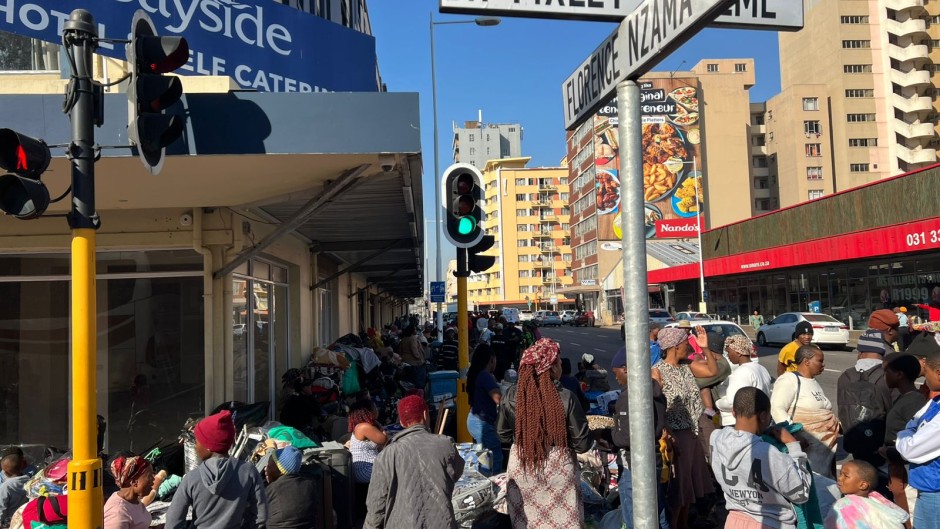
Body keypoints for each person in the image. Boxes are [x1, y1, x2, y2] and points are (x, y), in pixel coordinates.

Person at [497, 338, 591, 528]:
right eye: (558, 361)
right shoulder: (566, 397)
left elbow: (503, 434)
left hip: (524, 467)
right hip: (559, 474)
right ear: (552, 367)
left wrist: (528, 439)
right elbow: (582, 444)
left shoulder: (510, 396)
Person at [711, 387, 813, 529]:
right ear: (764, 416)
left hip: (734, 521)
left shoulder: (716, 439)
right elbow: (800, 493)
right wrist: (793, 446)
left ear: (733, 411)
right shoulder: (769, 453)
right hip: (770, 523)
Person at [652, 326, 719, 529]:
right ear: (674, 346)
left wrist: (705, 348)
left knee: (687, 492)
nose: (688, 347)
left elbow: (712, 370)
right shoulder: (657, 371)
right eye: (685, 343)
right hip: (674, 438)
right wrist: (664, 430)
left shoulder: (687, 366)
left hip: (691, 435)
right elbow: (655, 404)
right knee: (678, 491)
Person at [364, 395, 465, 529]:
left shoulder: (386, 455)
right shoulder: (445, 444)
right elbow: (457, 473)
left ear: (401, 422)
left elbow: (376, 504)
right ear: (425, 414)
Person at [165, 410, 267, 529]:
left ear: (209, 446)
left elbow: (173, 523)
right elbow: (261, 517)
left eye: (197, 441)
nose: (195, 445)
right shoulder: (248, 472)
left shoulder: (191, 478)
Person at [610, 353, 669, 529]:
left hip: (634, 466)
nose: (615, 377)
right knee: (658, 512)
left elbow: (625, 438)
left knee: (635, 516)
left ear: (626, 369)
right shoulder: (655, 391)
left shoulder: (631, 396)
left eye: (616, 372)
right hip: (654, 460)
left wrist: (612, 429)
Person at [771, 344, 839, 478]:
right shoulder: (789, 380)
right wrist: (794, 436)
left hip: (823, 453)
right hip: (805, 449)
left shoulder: (813, 382)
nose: (823, 364)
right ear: (806, 361)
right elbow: (777, 408)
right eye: (820, 361)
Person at [895, 343, 940, 529]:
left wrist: (904, 435)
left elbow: (911, 449)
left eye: (926, 372)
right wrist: (909, 432)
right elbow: (913, 423)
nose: (924, 377)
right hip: (929, 488)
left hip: (935, 491)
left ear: (938, 372)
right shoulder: (936, 401)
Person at [837, 329, 896, 469]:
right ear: (882, 352)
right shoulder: (888, 376)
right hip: (882, 448)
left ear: (860, 352)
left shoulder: (845, 377)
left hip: (854, 444)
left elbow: (842, 412)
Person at [882, 353, 927, 526]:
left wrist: (889, 451)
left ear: (899, 374)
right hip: (898, 466)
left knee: (912, 517)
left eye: (888, 371)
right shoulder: (905, 398)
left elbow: (919, 440)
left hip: (907, 470)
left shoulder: (914, 402)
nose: (885, 376)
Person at [824, 460, 908, 529]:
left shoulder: (842, 506)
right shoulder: (878, 499)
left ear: (862, 485)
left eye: (846, 476)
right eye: (840, 474)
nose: (839, 478)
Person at [715, 334, 772, 427]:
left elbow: (732, 402)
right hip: (760, 419)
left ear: (738, 352)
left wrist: (717, 403)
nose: (728, 356)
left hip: (738, 422)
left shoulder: (741, 373)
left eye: (729, 352)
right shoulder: (761, 368)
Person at [466, 344, 503, 474]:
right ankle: (492, 487)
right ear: (491, 359)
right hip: (482, 423)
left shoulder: (476, 373)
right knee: (494, 458)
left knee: (483, 456)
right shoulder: (485, 376)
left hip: (474, 420)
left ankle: (483, 481)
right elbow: (498, 398)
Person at [264, 446, 322, 529]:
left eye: (269, 466)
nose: (266, 469)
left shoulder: (271, 489)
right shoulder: (310, 484)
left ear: (280, 471)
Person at [103, 456, 155, 529]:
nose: (153, 479)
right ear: (133, 482)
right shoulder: (117, 514)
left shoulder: (133, 500)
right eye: (149, 476)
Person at [348, 399, 387, 484]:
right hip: (365, 468)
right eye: (375, 407)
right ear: (368, 412)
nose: (377, 409)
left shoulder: (363, 426)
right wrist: (380, 426)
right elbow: (384, 439)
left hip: (369, 465)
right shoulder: (363, 427)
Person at [0, 451, 29, 529]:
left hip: (10, 523)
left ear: (5, 472)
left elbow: (1, 508)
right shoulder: (29, 480)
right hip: (25, 520)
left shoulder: (5, 486)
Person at [399, 326, 428, 390]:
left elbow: (400, 351)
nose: (416, 330)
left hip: (405, 362)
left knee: (408, 381)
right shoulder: (413, 339)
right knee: (418, 382)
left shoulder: (403, 339)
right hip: (415, 363)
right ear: (412, 331)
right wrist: (420, 358)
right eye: (415, 329)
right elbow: (415, 351)